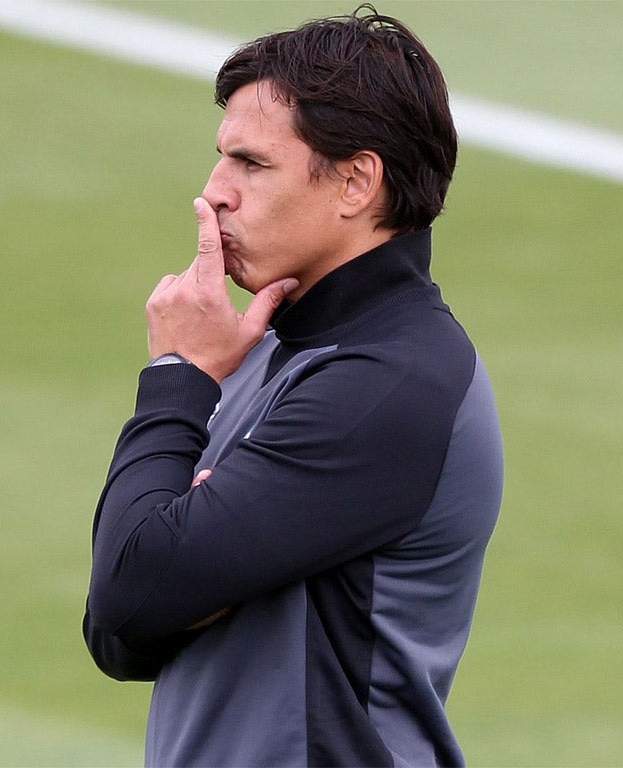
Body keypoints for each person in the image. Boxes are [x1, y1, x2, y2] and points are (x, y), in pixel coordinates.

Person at [83, 6, 503, 766]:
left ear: (354, 181)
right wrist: (176, 566)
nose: (213, 193)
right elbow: (117, 635)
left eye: (250, 163)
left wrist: (176, 380)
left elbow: (133, 584)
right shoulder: (265, 353)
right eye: (221, 159)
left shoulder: (388, 384)